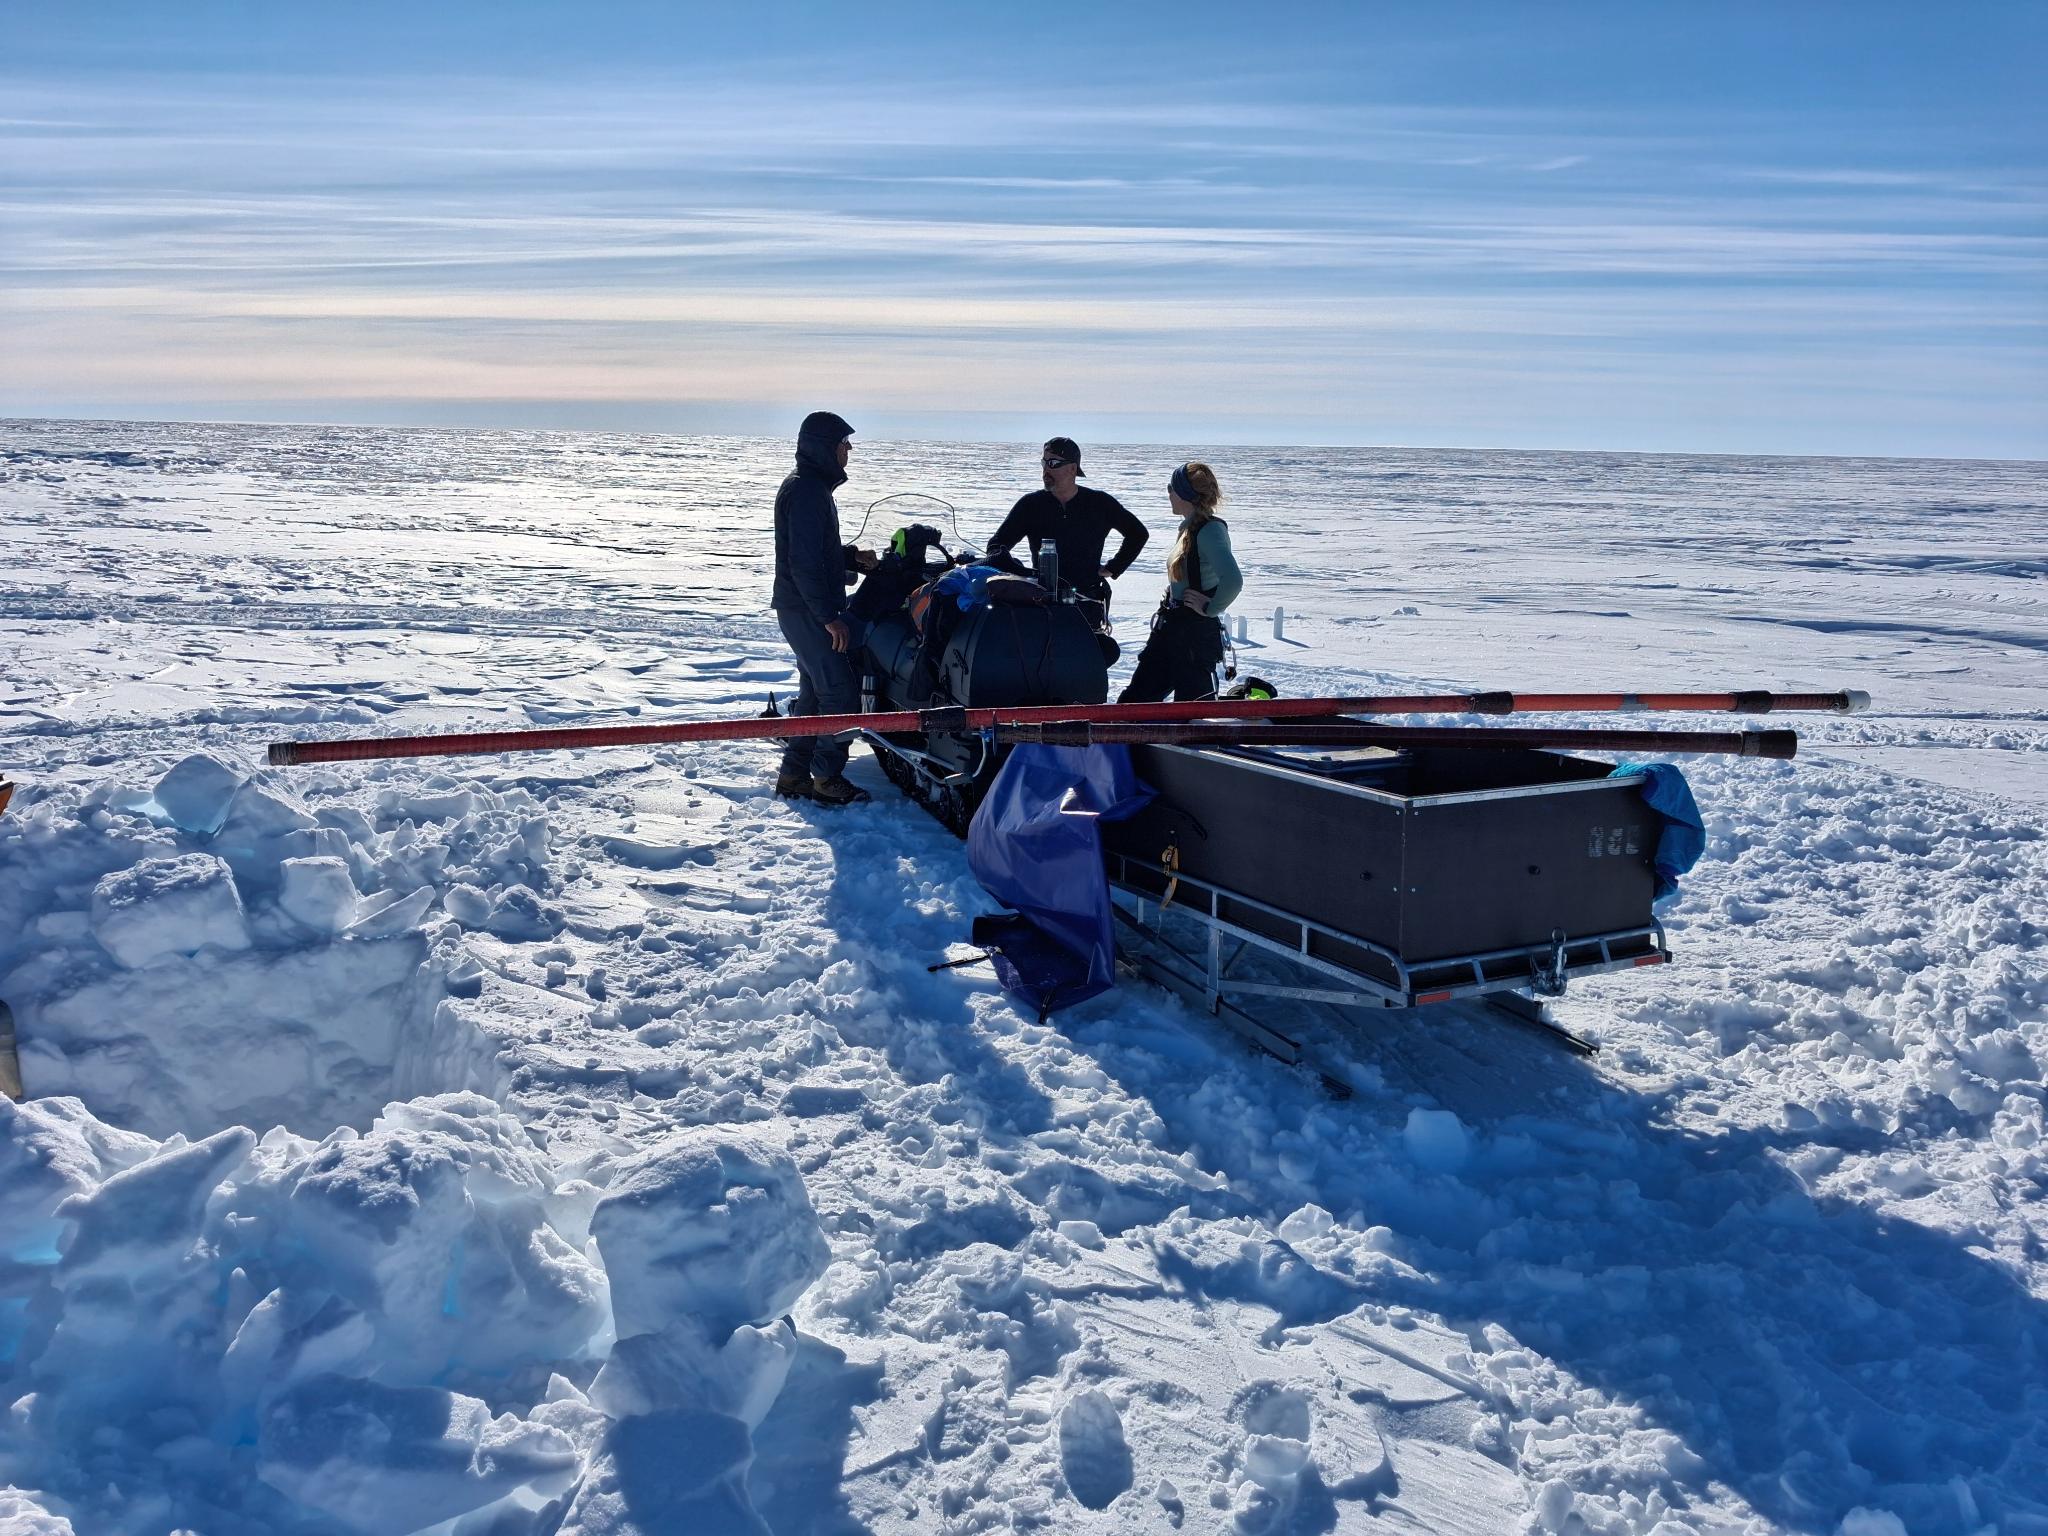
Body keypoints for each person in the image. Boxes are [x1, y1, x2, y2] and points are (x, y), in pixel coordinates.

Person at [771, 411, 877, 805]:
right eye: (843, 443)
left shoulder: (811, 488)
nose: (849, 450)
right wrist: (829, 618)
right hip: (808, 610)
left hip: (805, 607)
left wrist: (851, 559)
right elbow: (803, 564)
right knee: (838, 693)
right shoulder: (806, 492)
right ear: (825, 448)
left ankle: (795, 775)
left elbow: (818, 553)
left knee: (815, 694)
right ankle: (826, 778)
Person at [1118, 461, 1242, 704]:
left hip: (1193, 637)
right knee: (1133, 705)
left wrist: (1210, 607)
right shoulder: (1190, 528)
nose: (1168, 494)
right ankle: (1127, 740)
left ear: (1184, 494)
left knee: (1194, 714)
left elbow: (1233, 580)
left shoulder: (1209, 530)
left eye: (1170, 488)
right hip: (1172, 631)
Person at [984, 437, 1148, 605]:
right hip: (1043, 600)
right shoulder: (1031, 505)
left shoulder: (1099, 503)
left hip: (1087, 600)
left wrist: (1114, 567)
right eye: (1044, 463)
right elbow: (997, 545)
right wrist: (1016, 571)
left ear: (1072, 469)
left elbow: (1138, 534)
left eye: (1053, 463)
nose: (1046, 470)